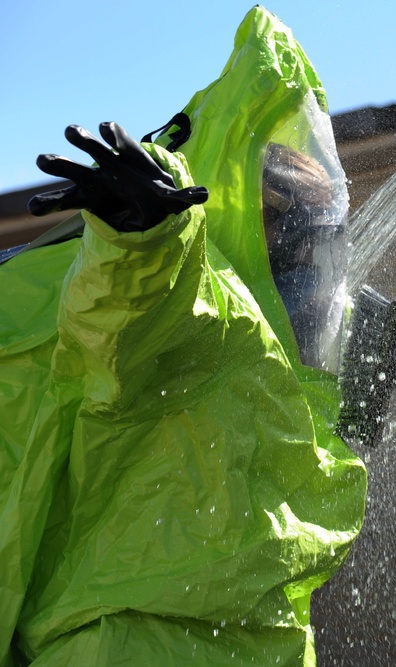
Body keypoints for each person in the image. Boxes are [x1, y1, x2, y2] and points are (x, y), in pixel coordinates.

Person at [0, 8, 365, 665]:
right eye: (298, 235)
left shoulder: (285, 354)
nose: (311, 270)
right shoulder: (198, 295)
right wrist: (141, 235)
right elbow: (121, 307)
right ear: (256, 219)